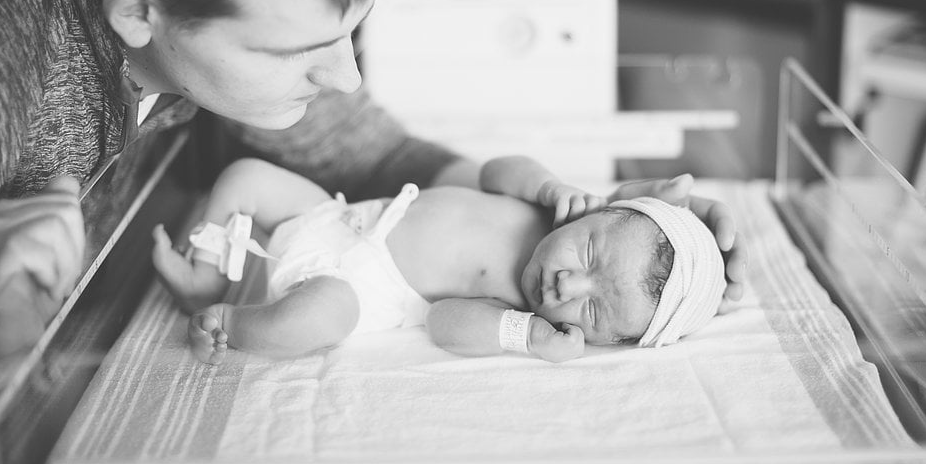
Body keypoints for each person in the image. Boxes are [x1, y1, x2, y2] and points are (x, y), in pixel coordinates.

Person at [0, 0, 747, 360]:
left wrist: (612, 225)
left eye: (352, 32)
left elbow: (379, 155)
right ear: (138, 13)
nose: (346, 79)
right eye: (297, 51)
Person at [153, 157, 727, 364]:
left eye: (594, 314)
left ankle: (231, 321)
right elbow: (494, 170)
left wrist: (522, 336)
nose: (571, 284)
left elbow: (443, 322)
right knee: (245, 176)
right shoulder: (551, 205)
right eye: (591, 253)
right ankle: (205, 276)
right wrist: (547, 184)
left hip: (358, 284)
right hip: (342, 217)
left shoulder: (529, 310)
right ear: (600, 210)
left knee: (316, 321)